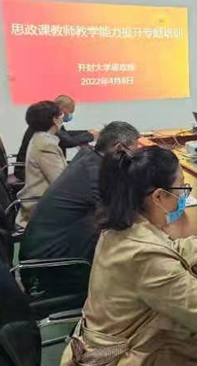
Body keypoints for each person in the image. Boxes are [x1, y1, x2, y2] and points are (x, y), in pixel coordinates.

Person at [60, 146, 197, 366]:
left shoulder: (123, 224)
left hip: (107, 344)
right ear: (159, 196)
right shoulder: (144, 254)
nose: (184, 196)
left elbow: (168, 250)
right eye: (181, 189)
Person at [20, 121, 141, 294]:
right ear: (119, 148)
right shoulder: (96, 173)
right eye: (134, 152)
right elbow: (119, 220)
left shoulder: (88, 157)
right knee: (136, 264)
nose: (134, 158)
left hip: (48, 250)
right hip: (52, 266)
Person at [15, 95, 99, 180]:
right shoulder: (46, 141)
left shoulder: (41, 133)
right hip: (33, 174)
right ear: (56, 118)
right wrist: (90, 136)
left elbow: (65, 134)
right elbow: (67, 141)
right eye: (62, 115)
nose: (62, 117)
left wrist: (87, 132)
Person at [16, 101, 68, 229]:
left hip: (42, 201)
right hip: (41, 206)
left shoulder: (40, 138)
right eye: (61, 115)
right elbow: (62, 183)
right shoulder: (46, 145)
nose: (63, 118)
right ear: (55, 120)